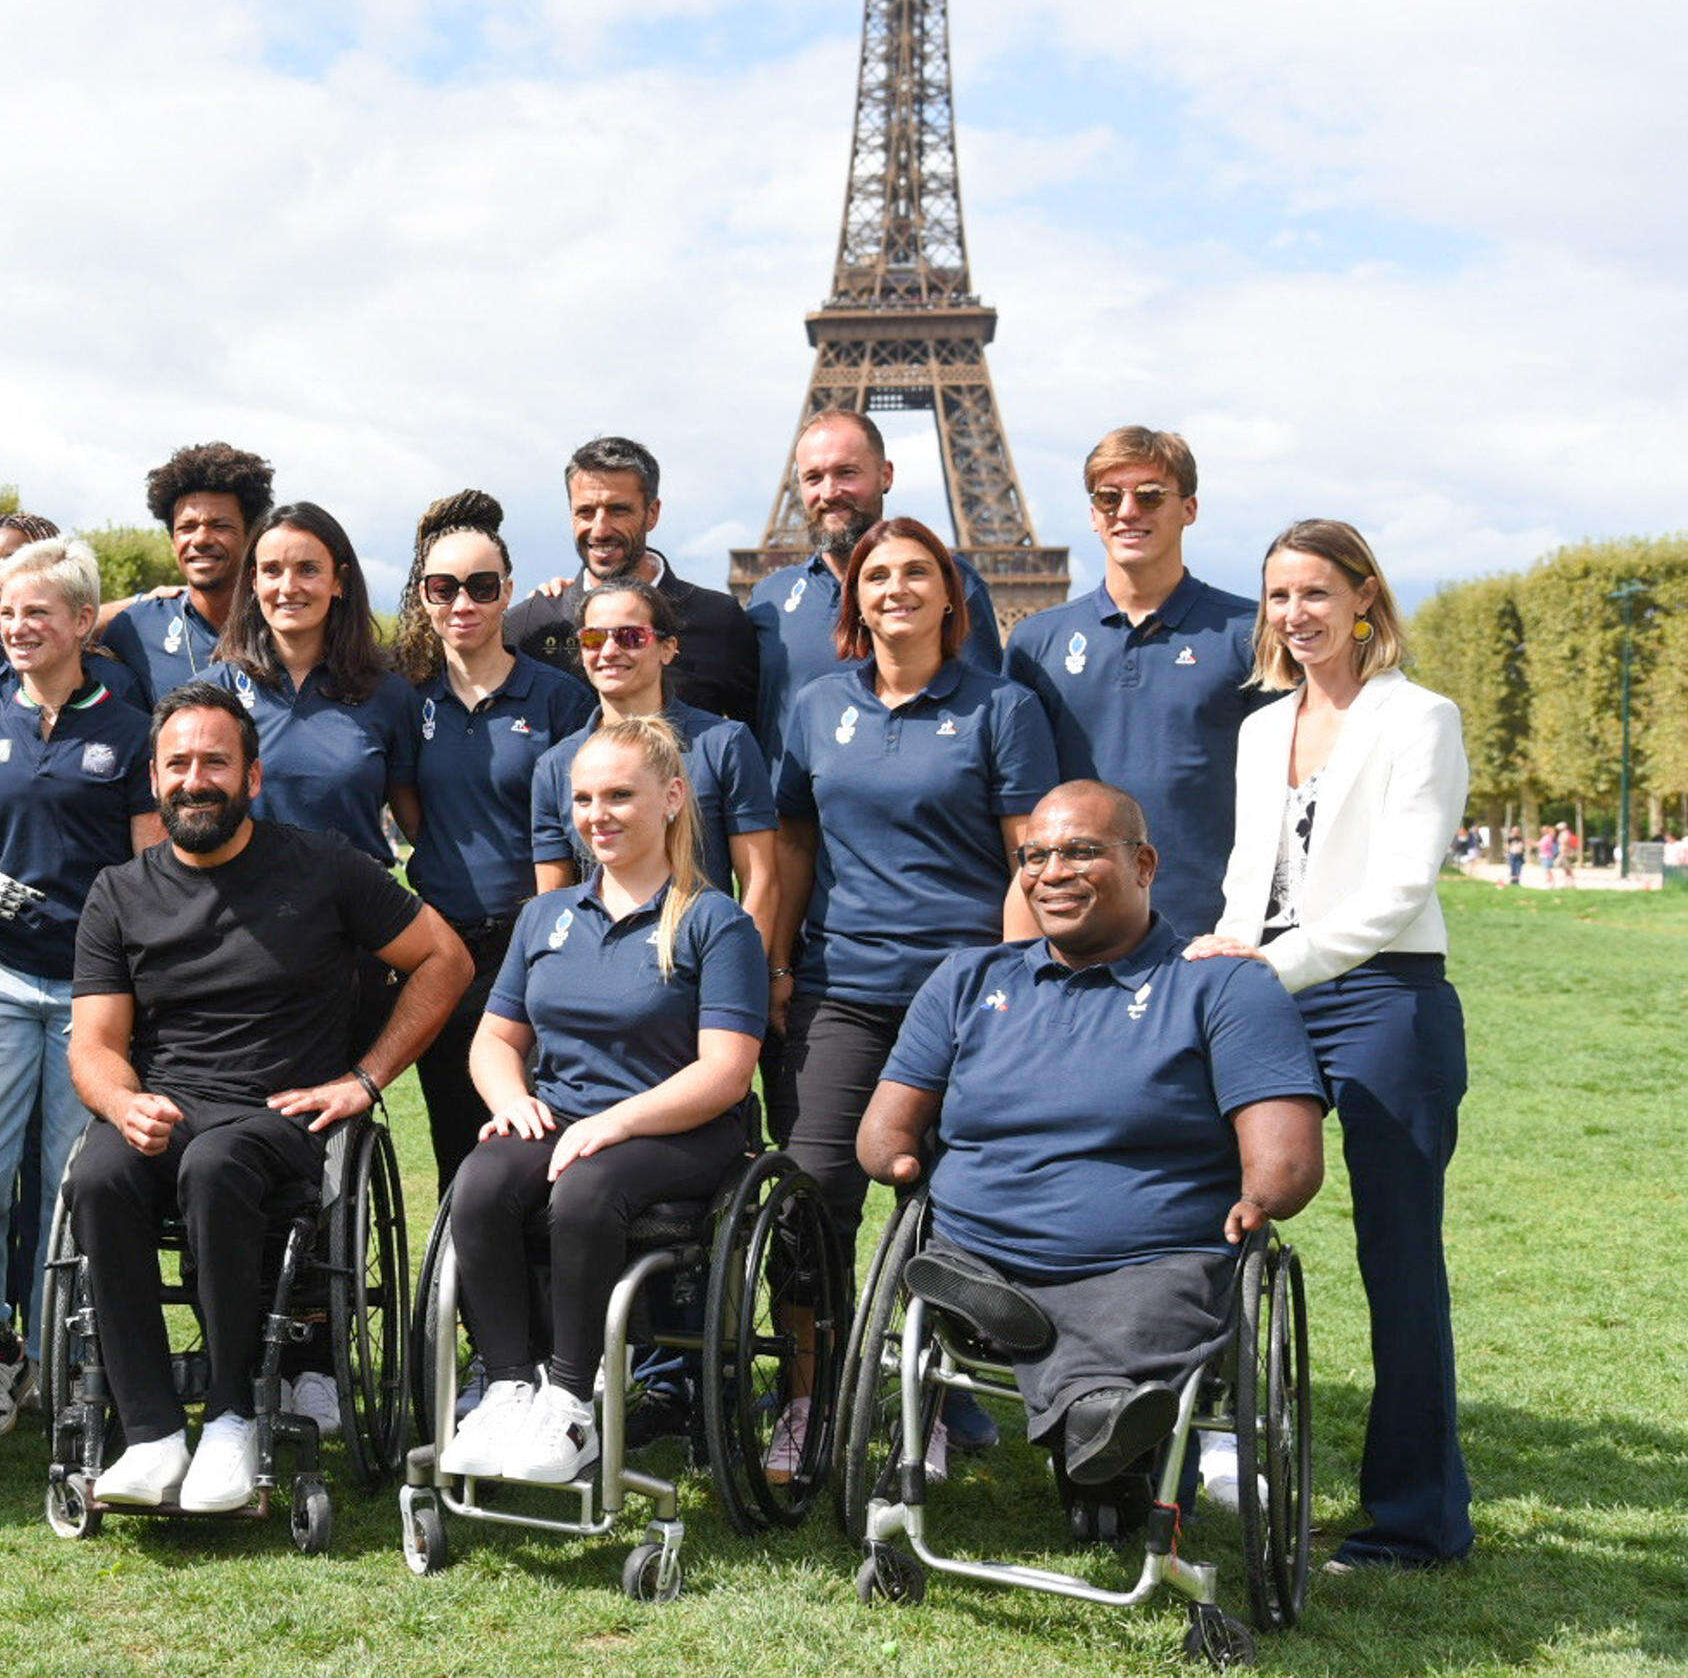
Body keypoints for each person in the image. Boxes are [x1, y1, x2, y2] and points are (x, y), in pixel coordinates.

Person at [856, 781, 1323, 1511]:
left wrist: (1264, 1192)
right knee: (979, 1281)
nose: (1052, 871)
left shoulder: (1223, 985)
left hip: (1148, 1259)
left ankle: (1093, 1408)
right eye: (1034, 855)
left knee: (1147, 1311)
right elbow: (883, 1128)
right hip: (979, 1244)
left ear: (1144, 864)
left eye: (1080, 851)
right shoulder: (968, 978)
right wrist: (896, 1159)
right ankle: (1093, 1409)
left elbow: (1289, 1157)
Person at [66, 683, 469, 1511]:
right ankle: (148, 1431)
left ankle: (230, 1416)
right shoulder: (119, 891)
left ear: (252, 778)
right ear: (153, 778)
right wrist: (119, 1103)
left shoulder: (324, 867)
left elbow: (445, 960)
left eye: (216, 761)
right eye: (178, 762)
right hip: (164, 1107)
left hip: (275, 1115)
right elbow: (95, 1045)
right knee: (98, 1175)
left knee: (216, 1164)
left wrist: (365, 1077)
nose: (195, 778)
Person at [1190, 518, 1474, 1571]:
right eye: (1277, 597)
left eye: (1315, 593)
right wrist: (1228, 946)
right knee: (1210, 1215)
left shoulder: (1420, 717)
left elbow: (1402, 889)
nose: (1296, 614)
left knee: (1398, 1259)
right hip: (1267, 988)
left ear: (1364, 598)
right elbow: (1245, 867)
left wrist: (1273, 962)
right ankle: (1196, 1455)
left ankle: (1416, 1519)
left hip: (1383, 998)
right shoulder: (1263, 726)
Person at [772, 515, 1056, 1466]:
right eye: (875, 574)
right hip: (841, 989)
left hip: (961, 996)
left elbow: (1031, 863)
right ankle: (810, 1399)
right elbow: (794, 850)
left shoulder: (1001, 709)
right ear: (852, 597)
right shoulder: (816, 706)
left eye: (915, 572)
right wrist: (774, 965)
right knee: (812, 1196)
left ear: (950, 594)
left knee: (942, 1207)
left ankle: (923, 1402)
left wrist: (1019, 990)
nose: (893, 587)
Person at [438, 716, 767, 1484]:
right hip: (563, 1113)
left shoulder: (716, 922)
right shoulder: (545, 917)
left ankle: (569, 1398)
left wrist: (616, 1122)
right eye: (584, 798)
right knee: (480, 1181)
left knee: (583, 1188)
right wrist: (510, 1096)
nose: (598, 814)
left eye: (620, 794)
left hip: (681, 1128)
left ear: (673, 797)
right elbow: (493, 1039)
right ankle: (509, 1384)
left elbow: (725, 1071)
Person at [0, 536, 163, 1438]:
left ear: (83, 622)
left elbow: (153, 867)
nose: (15, 625)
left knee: (66, 1182)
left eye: (36, 611)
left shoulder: (129, 732)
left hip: (93, 993)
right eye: (5, 610)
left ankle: (61, 1352)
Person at [388, 490, 597, 1184]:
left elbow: (578, 832)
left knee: (537, 1142)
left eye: (481, 586)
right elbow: (413, 809)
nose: (462, 603)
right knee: (457, 1146)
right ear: (423, 595)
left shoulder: (558, 697)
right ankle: (472, 1293)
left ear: (508, 591)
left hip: (531, 944)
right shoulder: (408, 699)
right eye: (443, 587)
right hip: (440, 949)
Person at [1003, 427, 1262, 937]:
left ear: (1189, 508)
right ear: (1092, 513)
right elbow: (1015, 801)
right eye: (1108, 497)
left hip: (1215, 928)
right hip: (1078, 931)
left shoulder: (1251, 636)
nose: (1128, 511)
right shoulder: (1035, 644)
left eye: (1149, 496)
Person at [197, 502, 425, 1069]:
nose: (287, 586)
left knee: (330, 1116)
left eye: (307, 569)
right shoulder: (213, 691)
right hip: (238, 935)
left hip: (350, 941)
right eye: (271, 570)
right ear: (253, 582)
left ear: (340, 582)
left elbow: (419, 827)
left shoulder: (388, 695)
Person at [529, 578, 778, 953]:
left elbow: (759, 878)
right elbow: (554, 901)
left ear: (667, 648)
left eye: (630, 637)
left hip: (703, 966)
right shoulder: (556, 765)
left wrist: (743, 976)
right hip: (602, 969)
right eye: (594, 639)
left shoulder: (724, 743)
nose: (609, 650)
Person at [747, 410, 1005, 769]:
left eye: (847, 473)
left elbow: (987, 711)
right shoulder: (769, 599)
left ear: (886, 475)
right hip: (796, 820)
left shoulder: (950, 583)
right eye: (813, 477)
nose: (829, 492)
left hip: (914, 812)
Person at [504, 436, 764, 729]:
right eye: (586, 512)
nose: (600, 529)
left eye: (618, 510)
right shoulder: (529, 625)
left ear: (652, 514)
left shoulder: (719, 620)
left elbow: (759, 742)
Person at [98, 442, 277, 707]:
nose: (201, 539)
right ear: (172, 540)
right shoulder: (138, 625)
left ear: (251, 536)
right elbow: (63, 630)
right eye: (187, 527)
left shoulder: (284, 624)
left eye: (220, 525)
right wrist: (137, 600)